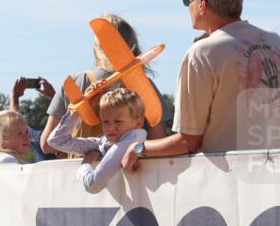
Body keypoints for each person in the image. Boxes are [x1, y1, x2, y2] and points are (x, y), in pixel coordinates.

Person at [123, 0, 280, 169]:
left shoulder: (202, 53)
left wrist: (138, 148)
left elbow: (188, 141)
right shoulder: (278, 43)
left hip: (230, 183)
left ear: (202, 4)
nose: (187, 6)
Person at [40, 13, 171, 156]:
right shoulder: (144, 85)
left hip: (78, 172)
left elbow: (47, 145)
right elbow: (158, 139)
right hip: (128, 173)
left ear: (96, 46)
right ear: (131, 44)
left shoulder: (73, 82)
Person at [47, 89, 147, 193]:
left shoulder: (133, 138)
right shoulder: (104, 143)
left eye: (118, 121)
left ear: (139, 123)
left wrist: (86, 163)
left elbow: (93, 185)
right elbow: (56, 140)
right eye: (105, 122)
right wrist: (81, 108)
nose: (111, 128)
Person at [10, 76, 57, 162]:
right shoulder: (76, 135)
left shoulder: (42, 138)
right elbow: (67, 115)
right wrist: (54, 96)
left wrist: (14, 96)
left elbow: (19, 126)